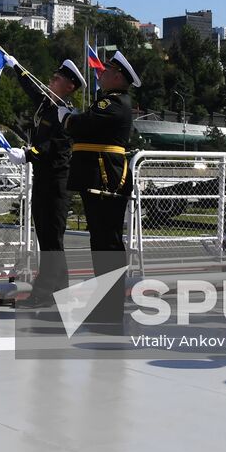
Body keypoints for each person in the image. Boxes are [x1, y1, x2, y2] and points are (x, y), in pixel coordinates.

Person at [63, 50, 139, 330]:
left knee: (107, 243)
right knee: (101, 243)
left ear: (118, 76)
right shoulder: (108, 101)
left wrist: (68, 119)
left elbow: (83, 125)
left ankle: (109, 308)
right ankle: (106, 305)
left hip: (105, 176)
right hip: (98, 174)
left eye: (106, 71)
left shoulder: (114, 103)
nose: (100, 74)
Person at [6, 56, 85, 305]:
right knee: (48, 239)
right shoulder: (49, 106)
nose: (51, 80)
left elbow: (52, 148)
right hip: (44, 180)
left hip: (56, 184)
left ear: (70, 87)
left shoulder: (66, 115)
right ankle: (61, 292)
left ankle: (42, 293)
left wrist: (27, 154)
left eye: (57, 78)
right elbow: (32, 88)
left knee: (51, 240)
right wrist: (17, 68)